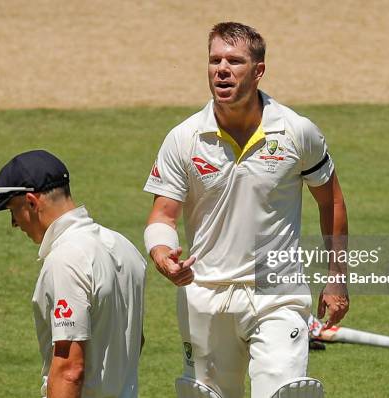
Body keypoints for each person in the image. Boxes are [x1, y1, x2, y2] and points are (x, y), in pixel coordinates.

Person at [143, 22, 348, 398]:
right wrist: (161, 252)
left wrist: (336, 275)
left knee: (284, 392)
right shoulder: (184, 138)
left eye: (234, 61)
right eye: (214, 60)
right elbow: (162, 215)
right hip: (204, 292)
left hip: (277, 290)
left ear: (258, 70)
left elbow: (330, 199)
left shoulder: (296, 131)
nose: (222, 68)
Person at [0, 150, 145, 398]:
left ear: (31, 202)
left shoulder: (65, 260)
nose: (14, 223)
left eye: (12, 211)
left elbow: (69, 370)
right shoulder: (125, 247)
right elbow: (134, 341)